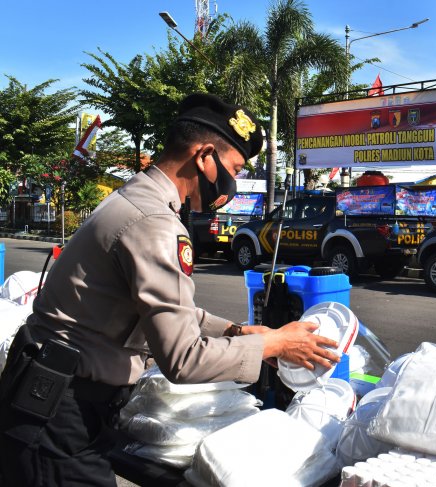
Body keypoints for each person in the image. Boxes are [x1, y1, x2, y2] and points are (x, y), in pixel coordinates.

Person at [0, 93, 339, 486]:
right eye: (234, 167)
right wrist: (274, 345)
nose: (234, 181)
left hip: (53, 402)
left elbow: (161, 312)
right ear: (204, 156)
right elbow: (183, 359)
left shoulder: (137, 198)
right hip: (59, 413)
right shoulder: (154, 223)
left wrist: (238, 332)